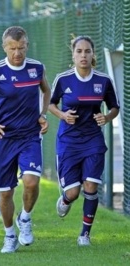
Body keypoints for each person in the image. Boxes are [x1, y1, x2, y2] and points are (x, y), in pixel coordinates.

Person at [0, 26, 51, 253]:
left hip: (29, 137)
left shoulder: (36, 68)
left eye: (21, 48)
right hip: (4, 139)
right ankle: (9, 235)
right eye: (13, 48)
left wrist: (42, 114)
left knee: (32, 182)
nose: (17, 53)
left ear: (27, 45)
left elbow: (46, 90)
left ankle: (25, 218)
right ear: (4, 48)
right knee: (5, 193)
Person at [49, 35, 119, 246]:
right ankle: (65, 200)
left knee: (90, 186)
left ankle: (84, 235)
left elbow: (115, 107)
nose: (83, 55)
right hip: (68, 141)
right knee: (73, 192)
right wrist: (63, 115)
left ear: (93, 54)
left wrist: (106, 117)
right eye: (79, 51)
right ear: (73, 54)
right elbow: (51, 104)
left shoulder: (103, 80)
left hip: (93, 140)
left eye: (87, 51)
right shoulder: (63, 79)